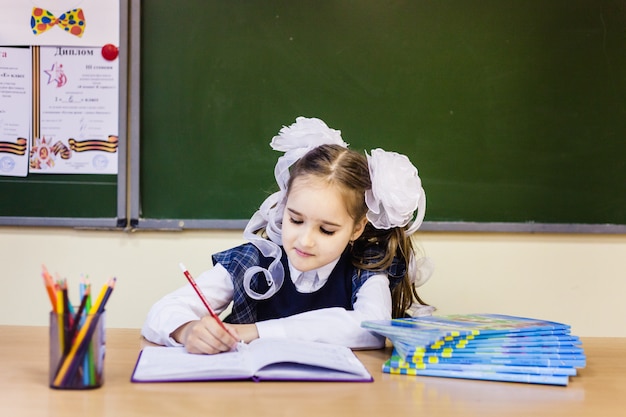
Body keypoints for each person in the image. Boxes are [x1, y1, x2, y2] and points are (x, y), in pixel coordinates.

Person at [141, 117, 433, 354]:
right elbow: (162, 311)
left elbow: (372, 327)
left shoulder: (365, 266)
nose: (305, 240)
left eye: (326, 230)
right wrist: (188, 330)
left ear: (357, 228)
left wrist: (256, 332)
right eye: (295, 219)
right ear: (283, 207)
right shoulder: (253, 261)